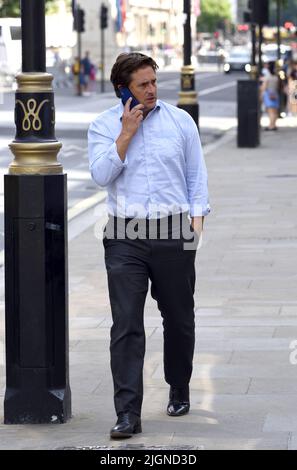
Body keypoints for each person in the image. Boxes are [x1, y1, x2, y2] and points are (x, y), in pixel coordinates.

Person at [88, 53, 210, 439]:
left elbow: (196, 172)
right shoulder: (103, 126)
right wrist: (125, 133)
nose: (152, 90)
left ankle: (178, 384)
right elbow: (100, 175)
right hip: (125, 235)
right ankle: (127, 413)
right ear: (122, 89)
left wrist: (197, 220)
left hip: (175, 232)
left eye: (154, 81)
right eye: (143, 84)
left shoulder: (179, 121)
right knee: (126, 325)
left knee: (179, 318)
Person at [261, 61, 280, 131]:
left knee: (270, 111)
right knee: (275, 111)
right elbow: (278, 86)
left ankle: (271, 126)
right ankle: (273, 125)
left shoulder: (267, 76)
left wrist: (261, 95)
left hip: (269, 94)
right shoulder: (276, 76)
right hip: (275, 93)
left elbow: (264, 87)